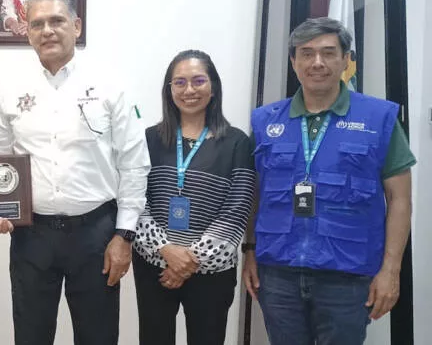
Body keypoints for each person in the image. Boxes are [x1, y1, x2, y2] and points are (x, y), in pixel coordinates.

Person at [0, 0, 150, 345]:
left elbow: (134, 163)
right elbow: (1, 158)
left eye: (56, 21)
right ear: (28, 32)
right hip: (32, 236)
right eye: (37, 24)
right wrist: (0, 208)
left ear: (76, 26)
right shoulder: (10, 87)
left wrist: (124, 235)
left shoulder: (110, 85)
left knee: (98, 336)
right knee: (30, 335)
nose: (47, 30)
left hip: (96, 234)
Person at [242, 17, 415, 345]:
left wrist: (391, 270)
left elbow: (400, 199)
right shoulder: (266, 121)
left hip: (347, 275)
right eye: (306, 53)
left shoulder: (379, 118)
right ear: (294, 62)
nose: (317, 62)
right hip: (278, 273)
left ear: (346, 59)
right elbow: (255, 193)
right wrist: (249, 251)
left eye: (328, 52)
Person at [132, 50, 255, 344]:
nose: (189, 90)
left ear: (213, 87)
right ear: (169, 89)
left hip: (211, 271)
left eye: (199, 81)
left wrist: (190, 261)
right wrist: (165, 250)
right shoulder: (148, 139)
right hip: (154, 264)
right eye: (180, 82)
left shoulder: (237, 143)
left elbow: (237, 208)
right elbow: (134, 199)